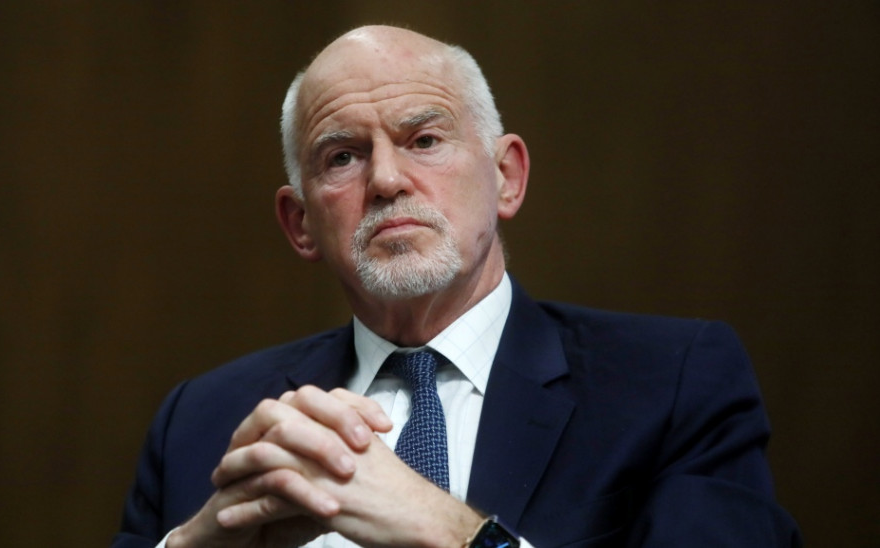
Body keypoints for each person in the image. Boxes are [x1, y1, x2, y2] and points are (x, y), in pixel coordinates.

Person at [113, 25, 801, 548]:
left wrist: (451, 532)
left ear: (507, 177)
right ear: (300, 224)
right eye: (343, 156)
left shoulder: (669, 384)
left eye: (424, 140)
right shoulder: (200, 424)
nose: (387, 180)